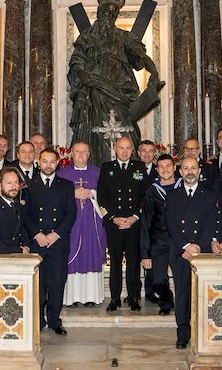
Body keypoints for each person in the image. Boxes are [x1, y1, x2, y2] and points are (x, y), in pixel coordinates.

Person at [68, 0, 164, 166]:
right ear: (99, 13)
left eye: (113, 13)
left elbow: (141, 56)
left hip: (121, 92)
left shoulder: (124, 37)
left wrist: (154, 72)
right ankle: (95, 168)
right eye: (106, 12)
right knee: (94, 131)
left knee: (125, 130)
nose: (109, 16)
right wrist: (82, 73)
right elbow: (77, 60)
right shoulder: (87, 37)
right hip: (95, 90)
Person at [165, 157, 216, 349]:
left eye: (193, 168)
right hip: (180, 253)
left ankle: (202, 331)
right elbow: (171, 223)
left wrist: (197, 247)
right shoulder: (172, 195)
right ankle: (183, 333)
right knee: (183, 293)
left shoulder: (209, 195)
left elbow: (211, 224)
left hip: (202, 254)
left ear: (199, 170)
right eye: (186, 168)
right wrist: (185, 246)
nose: (190, 171)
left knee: (203, 294)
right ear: (180, 171)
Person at [27, 148, 77, 335]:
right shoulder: (28, 185)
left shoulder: (66, 185)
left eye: (52, 161)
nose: (48, 165)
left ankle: (55, 320)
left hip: (58, 242)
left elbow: (71, 214)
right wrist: (37, 234)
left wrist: (56, 234)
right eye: (45, 161)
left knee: (57, 283)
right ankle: (38, 320)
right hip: (36, 242)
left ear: (58, 163)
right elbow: (24, 215)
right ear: (38, 162)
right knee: (38, 284)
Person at [97, 136, 150, 312]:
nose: (125, 151)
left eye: (128, 148)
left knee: (134, 263)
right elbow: (101, 197)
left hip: (134, 224)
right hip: (114, 224)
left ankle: (134, 297)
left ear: (132, 150)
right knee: (115, 262)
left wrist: (135, 217)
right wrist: (112, 217)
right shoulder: (107, 168)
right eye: (121, 148)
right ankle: (114, 298)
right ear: (115, 149)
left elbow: (145, 196)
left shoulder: (139, 167)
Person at [58, 141, 106, 307]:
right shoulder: (62, 173)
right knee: (71, 256)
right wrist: (73, 193)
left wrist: (92, 193)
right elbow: (55, 196)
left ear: (89, 154)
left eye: (84, 152)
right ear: (71, 153)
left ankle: (91, 297)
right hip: (71, 224)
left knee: (91, 255)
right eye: (77, 152)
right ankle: (71, 298)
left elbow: (107, 195)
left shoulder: (98, 172)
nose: (80, 155)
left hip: (92, 224)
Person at [141, 154, 178, 317]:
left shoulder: (183, 187)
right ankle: (166, 301)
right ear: (157, 170)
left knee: (181, 278)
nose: (165, 170)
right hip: (159, 241)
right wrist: (145, 253)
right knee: (157, 280)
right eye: (161, 167)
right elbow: (146, 222)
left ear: (174, 168)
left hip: (180, 241)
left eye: (168, 166)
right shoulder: (152, 191)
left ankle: (185, 306)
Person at [0, 167, 32, 254]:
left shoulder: (15, 204)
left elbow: (21, 229)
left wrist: (26, 246)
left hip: (16, 258)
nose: (14, 186)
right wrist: (20, 250)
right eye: (9, 183)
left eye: (16, 182)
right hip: (0, 262)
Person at [137, 139, 158, 302]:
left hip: (154, 220)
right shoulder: (132, 170)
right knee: (135, 254)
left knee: (151, 253)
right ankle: (135, 290)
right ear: (138, 153)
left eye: (150, 151)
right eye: (144, 151)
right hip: (135, 218)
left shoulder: (160, 171)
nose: (147, 154)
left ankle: (151, 290)